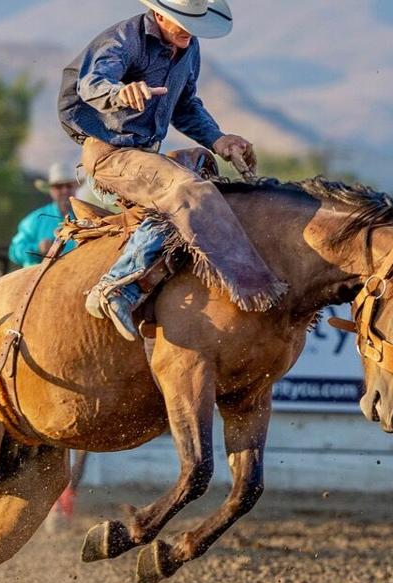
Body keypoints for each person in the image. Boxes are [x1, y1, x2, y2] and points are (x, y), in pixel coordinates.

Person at [58, 0, 283, 341]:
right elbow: (91, 83)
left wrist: (218, 139)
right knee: (186, 189)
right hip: (110, 151)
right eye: (182, 21)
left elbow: (186, 105)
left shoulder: (189, 48)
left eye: (194, 23)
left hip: (146, 156)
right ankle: (117, 286)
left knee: (203, 172)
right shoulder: (123, 39)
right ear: (159, 14)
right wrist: (121, 92)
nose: (189, 30)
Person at [8, 162, 80, 267]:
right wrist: (37, 248)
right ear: (51, 190)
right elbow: (14, 252)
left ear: (74, 188)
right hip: (38, 280)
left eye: (68, 186)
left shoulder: (84, 219)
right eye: (59, 186)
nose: (65, 190)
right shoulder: (34, 219)